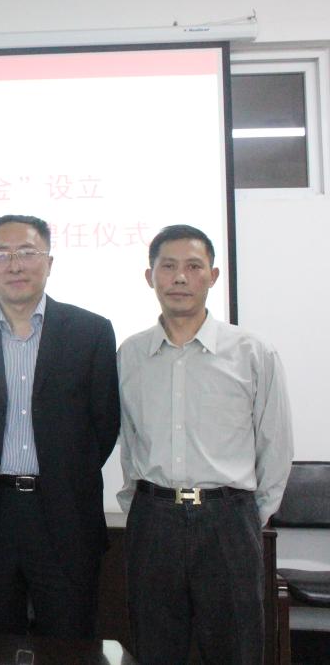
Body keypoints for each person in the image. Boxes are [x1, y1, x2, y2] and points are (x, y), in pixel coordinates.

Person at [117, 224, 293, 665]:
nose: (180, 277)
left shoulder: (252, 352)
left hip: (227, 521)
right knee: (154, 649)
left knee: (236, 650)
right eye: (168, 266)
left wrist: (247, 514)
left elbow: (275, 443)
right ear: (150, 276)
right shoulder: (131, 354)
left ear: (213, 276)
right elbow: (129, 439)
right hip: (153, 520)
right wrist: (140, 504)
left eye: (194, 266)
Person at [0, 215, 120, 638]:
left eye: (27, 252)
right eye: (0, 255)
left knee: (70, 641)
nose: (14, 265)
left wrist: (64, 473)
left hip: (65, 513)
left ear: (49, 262)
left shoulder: (91, 331)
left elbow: (105, 423)